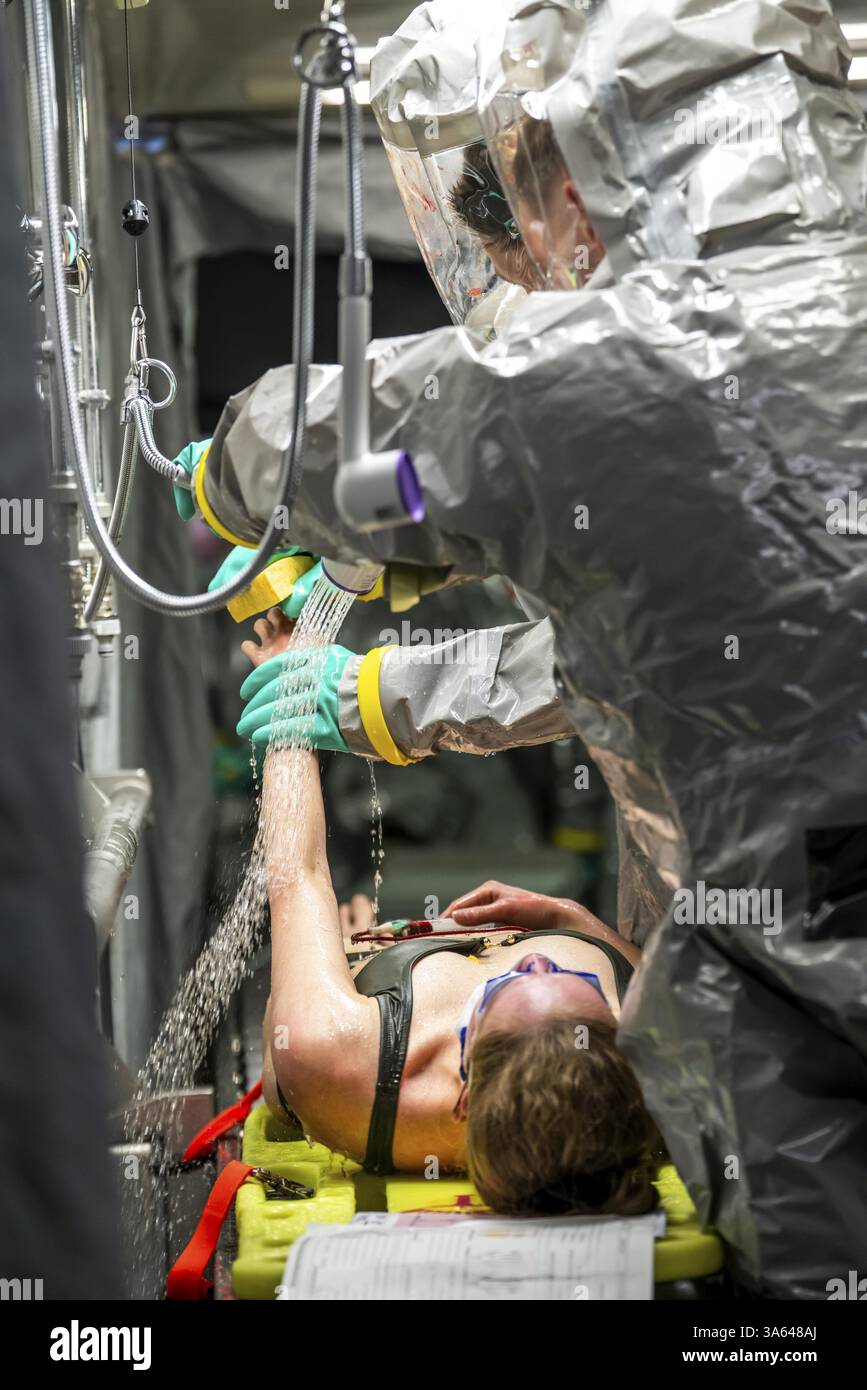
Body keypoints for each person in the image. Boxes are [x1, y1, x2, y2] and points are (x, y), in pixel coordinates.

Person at [179, 0, 867, 1294]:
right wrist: (379, 693)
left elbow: (359, 442)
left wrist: (226, 478)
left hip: (802, 914)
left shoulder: (629, 349)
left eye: (525, 192)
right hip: (797, 895)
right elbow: (694, 655)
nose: (521, 242)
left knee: (814, 1244)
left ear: (608, 164)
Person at [249, 607, 658, 1215]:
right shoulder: (660, 1055)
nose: (537, 959)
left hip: (359, 1009)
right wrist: (574, 920)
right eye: (568, 976)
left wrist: (291, 690)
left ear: (463, 1095)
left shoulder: (336, 1052)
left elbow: (297, 872)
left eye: (517, 978)